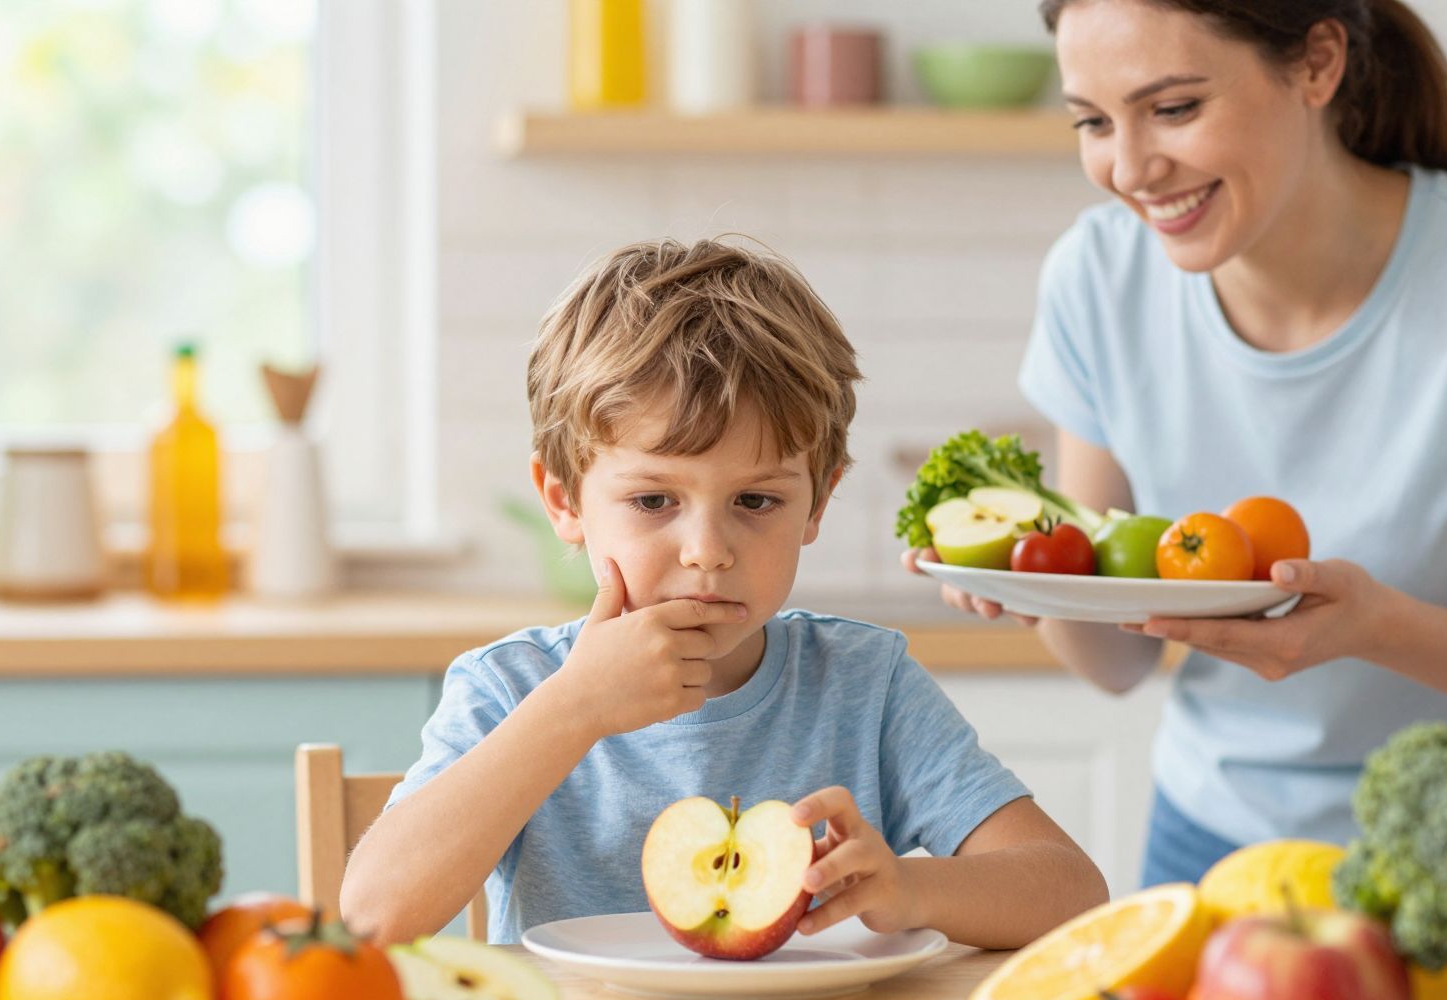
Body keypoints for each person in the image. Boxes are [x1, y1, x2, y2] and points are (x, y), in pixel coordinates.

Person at [908, 0, 1447, 887]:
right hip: (1215, 844)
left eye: (1175, 108)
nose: (1131, 167)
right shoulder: (1098, 278)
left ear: (1316, 64)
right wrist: (1038, 589)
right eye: (1094, 122)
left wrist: (1377, 627)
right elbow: (1120, 664)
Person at [343, 238, 1109, 946]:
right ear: (564, 502)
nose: (708, 553)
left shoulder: (864, 686)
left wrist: (910, 887)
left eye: (756, 502)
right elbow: (374, 915)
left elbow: (1073, 895)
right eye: (653, 502)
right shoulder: (513, 688)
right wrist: (573, 708)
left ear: (818, 501)